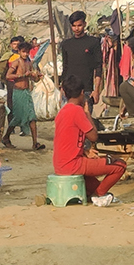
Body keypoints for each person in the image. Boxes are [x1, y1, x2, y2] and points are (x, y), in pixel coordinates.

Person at [53, 75, 127, 206]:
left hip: (60, 164)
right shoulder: (77, 111)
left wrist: (85, 151)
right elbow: (93, 136)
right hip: (74, 164)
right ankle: (99, 195)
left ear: (64, 92)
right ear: (82, 93)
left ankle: (96, 193)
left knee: (95, 183)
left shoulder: (62, 112)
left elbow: (67, 141)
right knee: (120, 165)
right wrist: (87, 113)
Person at [2, 42, 45, 151]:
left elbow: (33, 79)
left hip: (26, 93)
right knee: (17, 117)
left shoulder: (29, 63)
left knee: (32, 117)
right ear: (19, 51)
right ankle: (6, 137)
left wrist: (37, 76)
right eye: (23, 52)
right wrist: (22, 75)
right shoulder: (16, 62)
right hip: (18, 93)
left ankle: (35, 143)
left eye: (27, 52)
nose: (25, 54)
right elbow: (8, 76)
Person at [61, 11, 102, 115]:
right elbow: (65, 67)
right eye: (74, 26)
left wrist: (96, 90)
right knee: (68, 119)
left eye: (79, 25)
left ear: (84, 24)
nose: (76, 29)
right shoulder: (66, 44)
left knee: (85, 119)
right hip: (69, 90)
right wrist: (62, 88)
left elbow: (98, 67)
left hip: (86, 90)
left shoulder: (93, 42)